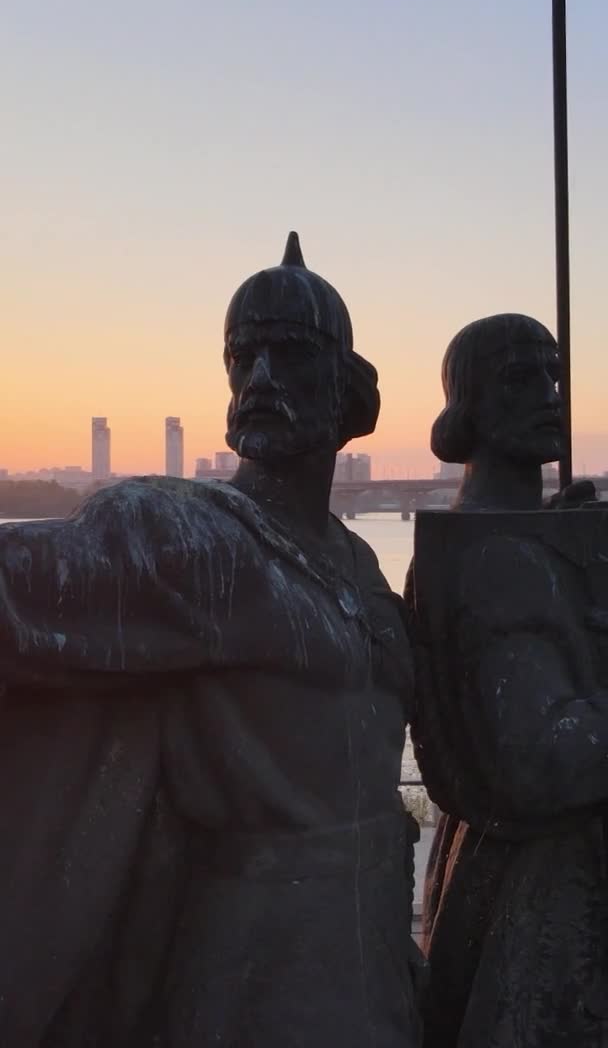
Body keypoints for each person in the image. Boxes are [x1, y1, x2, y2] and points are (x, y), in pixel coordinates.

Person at [0, 233, 422, 1047]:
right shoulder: (188, 539)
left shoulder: (359, 561)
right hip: (250, 982)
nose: (260, 379)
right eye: (242, 357)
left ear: (348, 391)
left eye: (291, 354)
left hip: (368, 964)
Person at [409, 313, 608, 1047]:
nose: (551, 394)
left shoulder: (513, 539)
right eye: (523, 378)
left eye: (555, 375)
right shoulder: (497, 561)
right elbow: (540, 760)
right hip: (543, 898)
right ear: (467, 408)